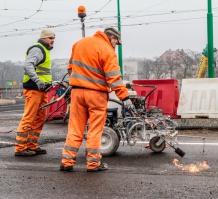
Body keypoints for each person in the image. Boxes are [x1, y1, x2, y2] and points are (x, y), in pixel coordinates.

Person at [60, 27, 133, 172]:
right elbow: (115, 79)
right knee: (95, 129)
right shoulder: (107, 51)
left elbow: (70, 69)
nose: (115, 46)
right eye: (116, 43)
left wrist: (79, 83)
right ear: (112, 38)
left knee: (75, 128)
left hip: (77, 92)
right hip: (96, 95)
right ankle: (93, 164)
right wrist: (125, 97)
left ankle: (67, 162)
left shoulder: (79, 43)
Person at [14, 28, 55, 156]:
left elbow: (42, 71)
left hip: (41, 90)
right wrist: (38, 81)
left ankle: (31, 145)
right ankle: (20, 148)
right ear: (43, 38)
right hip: (34, 89)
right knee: (29, 117)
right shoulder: (38, 49)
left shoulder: (44, 50)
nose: (52, 41)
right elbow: (28, 65)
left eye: (53, 38)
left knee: (40, 117)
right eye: (50, 38)